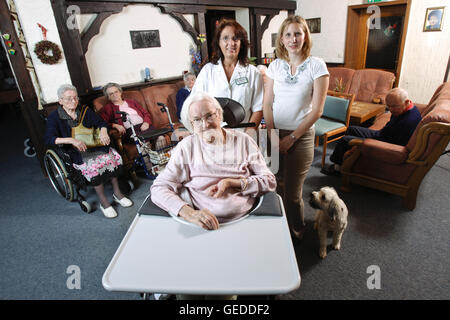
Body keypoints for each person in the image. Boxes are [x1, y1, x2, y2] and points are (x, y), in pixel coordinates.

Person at [151, 91, 276, 230]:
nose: (205, 125)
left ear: (219, 114)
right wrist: (189, 213)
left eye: (209, 116)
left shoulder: (244, 141)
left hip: (247, 219)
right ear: (191, 125)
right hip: (202, 226)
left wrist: (234, 183)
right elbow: (159, 188)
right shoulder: (186, 148)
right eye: (197, 120)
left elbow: (269, 181)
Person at [262, 15, 329, 240]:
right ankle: (279, 226)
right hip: (273, 134)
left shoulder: (316, 65)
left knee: (292, 193)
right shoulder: (275, 66)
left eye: (298, 33)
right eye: (288, 34)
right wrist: (272, 136)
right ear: (281, 39)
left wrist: (291, 138)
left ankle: (297, 228)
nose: (293, 39)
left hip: (300, 137)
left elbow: (317, 110)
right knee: (273, 185)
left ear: (305, 36)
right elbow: (267, 103)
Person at [44, 84, 133, 218]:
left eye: (75, 98)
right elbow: (49, 139)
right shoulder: (54, 117)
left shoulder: (84, 110)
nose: (73, 101)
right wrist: (71, 140)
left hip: (93, 145)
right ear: (60, 101)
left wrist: (104, 132)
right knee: (94, 166)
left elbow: (101, 123)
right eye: (68, 99)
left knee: (111, 157)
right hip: (75, 151)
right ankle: (104, 202)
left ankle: (117, 194)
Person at [180, 18, 264, 132]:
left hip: (244, 134)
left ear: (241, 42)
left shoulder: (253, 73)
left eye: (235, 38)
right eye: (225, 38)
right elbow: (193, 103)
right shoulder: (207, 71)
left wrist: (248, 135)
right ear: (218, 43)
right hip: (214, 136)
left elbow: (258, 108)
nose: (231, 43)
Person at [321, 87, 422, 175]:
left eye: (394, 106)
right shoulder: (405, 108)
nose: (390, 109)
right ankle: (347, 160)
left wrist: (373, 143)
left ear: (406, 101)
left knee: (344, 140)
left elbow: (397, 145)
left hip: (383, 143)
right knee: (352, 129)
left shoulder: (409, 121)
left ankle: (337, 169)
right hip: (382, 134)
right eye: (389, 106)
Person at [99, 82, 166, 149]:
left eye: (116, 92)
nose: (114, 95)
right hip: (131, 131)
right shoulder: (107, 108)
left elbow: (146, 113)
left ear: (120, 92)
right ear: (108, 97)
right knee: (144, 142)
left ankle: (161, 158)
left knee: (161, 138)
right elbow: (102, 122)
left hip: (144, 126)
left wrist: (146, 122)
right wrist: (115, 125)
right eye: (111, 94)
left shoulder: (132, 102)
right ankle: (148, 159)